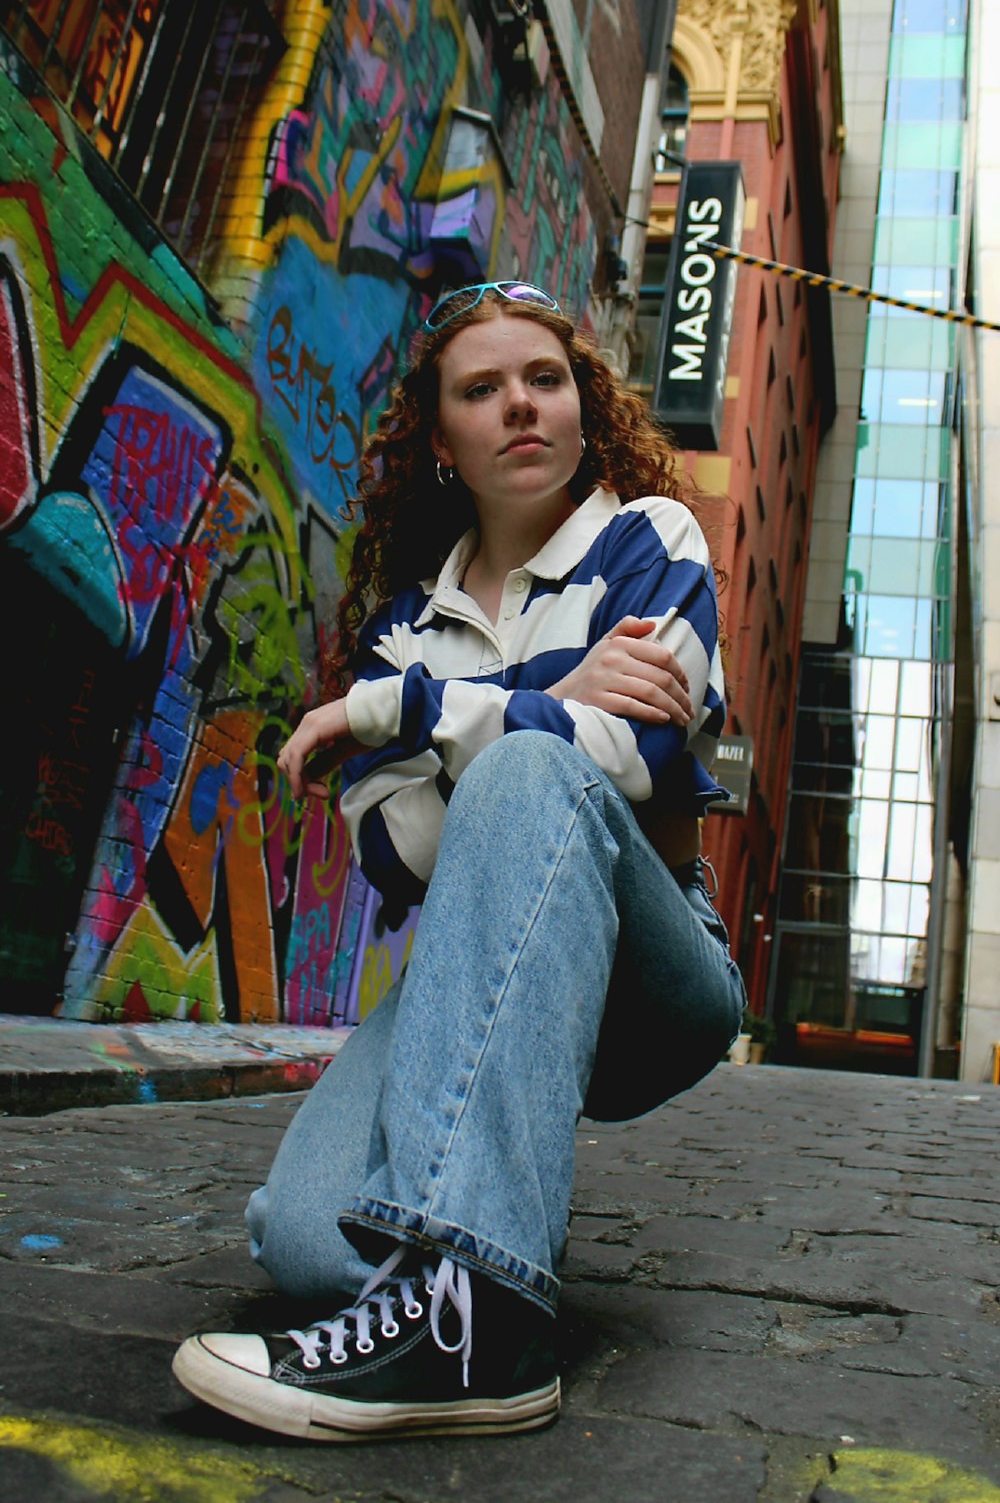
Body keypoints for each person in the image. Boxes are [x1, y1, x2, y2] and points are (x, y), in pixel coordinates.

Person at [172, 280, 746, 1443]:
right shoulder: (401, 624)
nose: (521, 407)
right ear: (443, 439)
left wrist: (412, 713)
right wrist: (546, 695)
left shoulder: (648, 539)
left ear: (585, 406)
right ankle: (488, 1238)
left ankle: (474, 1325)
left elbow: (630, 752)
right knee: (302, 1236)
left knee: (528, 778)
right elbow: (401, 851)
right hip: (483, 981)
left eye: (546, 380)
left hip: (655, 972)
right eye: (482, 391)